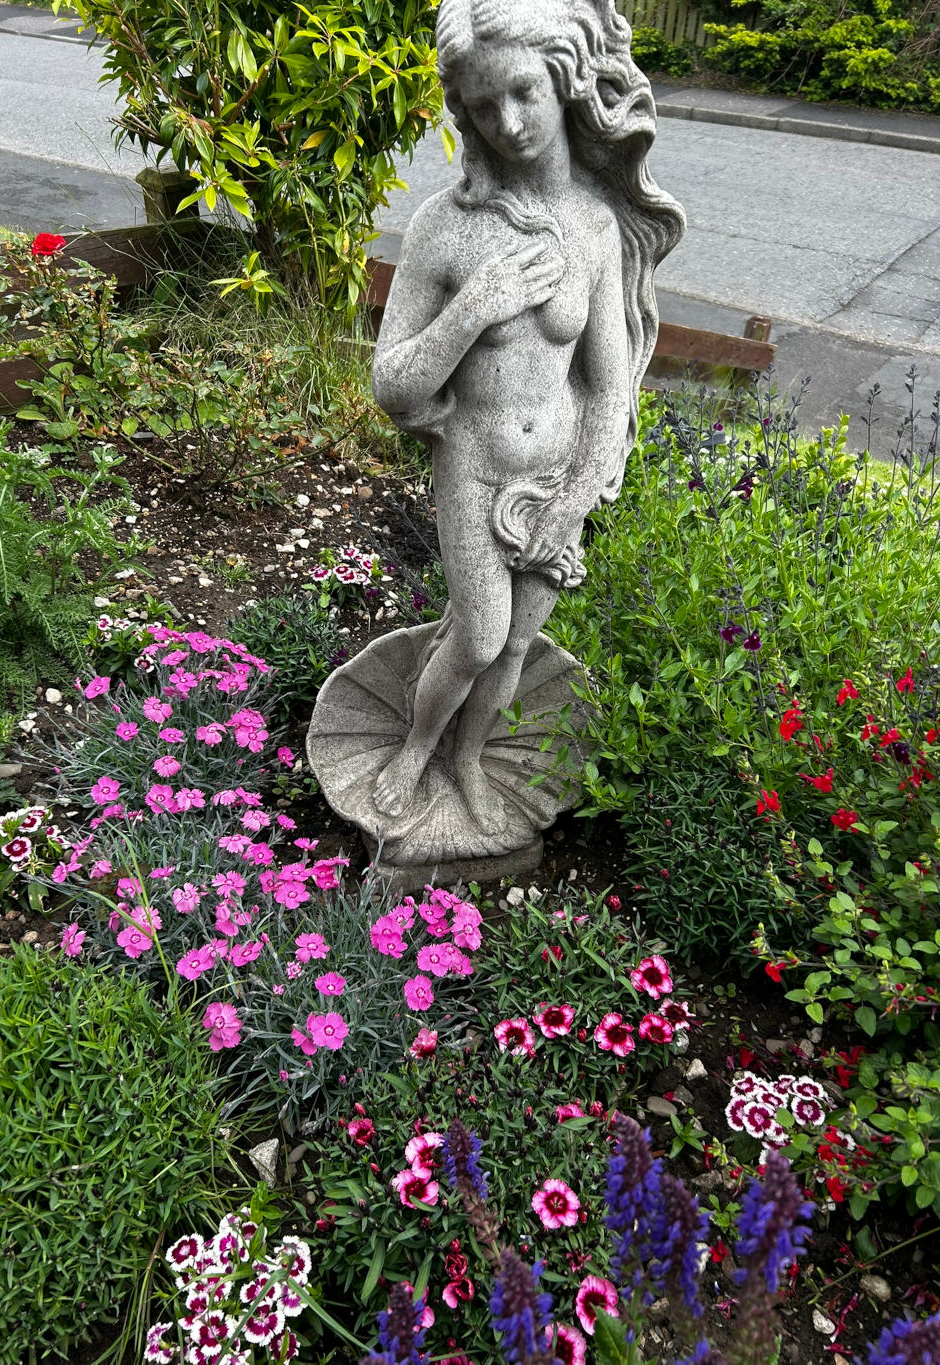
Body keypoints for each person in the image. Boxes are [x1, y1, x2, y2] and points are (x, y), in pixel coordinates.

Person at [371, 0, 684, 835]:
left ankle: (468, 761)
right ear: (463, 113)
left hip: (558, 477)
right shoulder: (446, 227)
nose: (507, 122)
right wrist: (476, 306)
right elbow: (394, 386)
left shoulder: (595, 228)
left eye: (523, 93)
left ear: (565, 81)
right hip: (475, 465)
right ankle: (414, 750)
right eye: (482, 105)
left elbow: (611, 384)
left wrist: (577, 494)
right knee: (478, 637)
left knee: (514, 647)